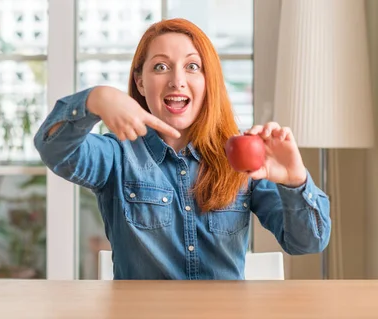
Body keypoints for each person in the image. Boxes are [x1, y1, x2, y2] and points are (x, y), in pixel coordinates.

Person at [33, 18, 331, 280]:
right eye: (160, 67)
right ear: (140, 81)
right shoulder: (117, 156)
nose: (177, 81)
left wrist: (295, 180)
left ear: (207, 80)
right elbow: (53, 148)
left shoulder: (242, 160)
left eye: (192, 67)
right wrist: (94, 99)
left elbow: (307, 243)